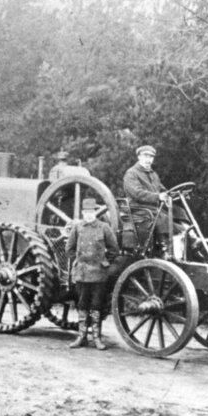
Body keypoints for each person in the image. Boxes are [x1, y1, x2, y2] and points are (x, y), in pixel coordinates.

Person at [66, 197, 119, 350]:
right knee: (82, 304)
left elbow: (114, 249)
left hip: (99, 274)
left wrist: (104, 263)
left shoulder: (104, 228)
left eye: (91, 212)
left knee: (96, 305)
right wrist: (78, 261)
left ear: (95, 213)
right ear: (82, 213)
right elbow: (69, 249)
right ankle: (81, 337)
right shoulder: (78, 228)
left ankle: (96, 338)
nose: (89, 214)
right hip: (82, 274)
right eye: (86, 212)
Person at [122, 144, 183, 255]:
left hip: (152, 209)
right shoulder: (131, 174)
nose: (148, 160)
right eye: (146, 156)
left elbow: (163, 190)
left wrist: (175, 194)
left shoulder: (153, 175)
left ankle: (192, 237)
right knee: (162, 217)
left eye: (151, 157)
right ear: (139, 157)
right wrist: (158, 197)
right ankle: (165, 247)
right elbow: (137, 193)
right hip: (138, 209)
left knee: (178, 211)